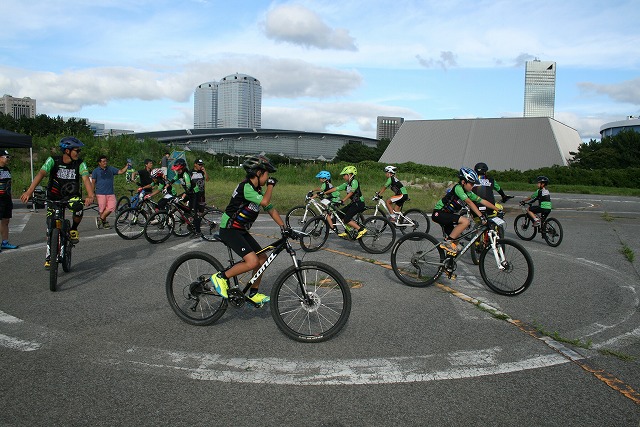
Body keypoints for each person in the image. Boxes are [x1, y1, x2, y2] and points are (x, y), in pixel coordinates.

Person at [209, 155, 285, 306]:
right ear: (259, 173)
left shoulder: (256, 190)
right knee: (252, 261)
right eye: (267, 174)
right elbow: (265, 201)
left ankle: (253, 293)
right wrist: (271, 185)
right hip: (229, 229)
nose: (268, 178)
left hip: (241, 230)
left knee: (262, 258)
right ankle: (221, 277)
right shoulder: (246, 187)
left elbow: (270, 209)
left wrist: (284, 227)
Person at [20, 137, 95, 269]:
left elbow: (85, 179)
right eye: (77, 150)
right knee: (50, 226)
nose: (79, 153)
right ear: (67, 151)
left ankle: (73, 229)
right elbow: (41, 174)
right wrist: (29, 191)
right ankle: (49, 256)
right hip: (54, 196)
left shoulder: (80, 163)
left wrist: (90, 195)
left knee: (78, 207)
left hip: (71, 196)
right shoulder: (53, 160)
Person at [432, 167, 502, 254]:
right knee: (465, 221)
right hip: (439, 213)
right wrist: (481, 216)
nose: (473, 186)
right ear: (463, 182)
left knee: (457, 245)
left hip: (448, 216)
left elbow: (483, 201)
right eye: (471, 184)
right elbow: (469, 202)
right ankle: (448, 242)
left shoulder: (469, 193)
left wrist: (497, 209)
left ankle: (447, 261)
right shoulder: (458, 188)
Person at [323, 165, 367, 239]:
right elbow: (336, 189)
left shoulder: (354, 182)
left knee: (346, 219)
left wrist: (342, 200)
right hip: (353, 203)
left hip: (359, 203)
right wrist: (323, 193)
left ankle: (361, 229)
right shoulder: (346, 184)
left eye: (344, 175)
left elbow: (351, 192)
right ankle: (348, 231)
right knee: (339, 214)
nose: (343, 177)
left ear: (350, 175)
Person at [91, 155, 129, 229]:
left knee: (112, 206)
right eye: (103, 161)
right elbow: (93, 182)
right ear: (99, 163)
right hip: (100, 193)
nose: (105, 162)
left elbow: (121, 171)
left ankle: (100, 219)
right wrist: (92, 193)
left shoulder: (110, 169)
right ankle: (104, 223)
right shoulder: (96, 171)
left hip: (110, 192)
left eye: (106, 161)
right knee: (102, 209)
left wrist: (127, 166)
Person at [0, 150, 18, 251]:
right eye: (6, 157)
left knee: (6, 220)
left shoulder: (7, 169)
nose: (8, 159)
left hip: (7, 198)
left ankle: (5, 242)